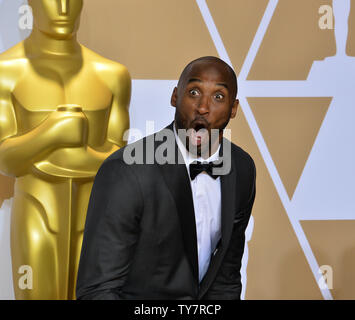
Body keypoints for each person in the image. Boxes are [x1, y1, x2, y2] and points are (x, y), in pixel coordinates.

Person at [76, 56, 256, 300]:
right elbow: (98, 290)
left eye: (218, 97)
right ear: (175, 97)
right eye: (194, 92)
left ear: (233, 109)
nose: (203, 107)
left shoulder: (241, 169)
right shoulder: (127, 170)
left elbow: (225, 280)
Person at [0, 0, 130, 299]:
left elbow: (120, 164)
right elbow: (6, 159)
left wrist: (50, 158)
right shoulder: (6, 72)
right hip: (36, 214)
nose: (63, 8)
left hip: (95, 219)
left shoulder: (112, 75)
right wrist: (52, 132)